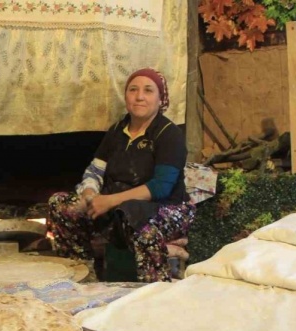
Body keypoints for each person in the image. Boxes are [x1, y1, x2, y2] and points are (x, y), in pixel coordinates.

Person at [47, 67, 195, 283]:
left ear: (160, 98)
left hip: (165, 208)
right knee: (61, 204)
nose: (140, 96)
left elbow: (161, 187)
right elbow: (96, 170)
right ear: (125, 96)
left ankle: (154, 289)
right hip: (118, 208)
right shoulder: (117, 130)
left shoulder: (169, 134)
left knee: (133, 216)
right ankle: (82, 276)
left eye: (148, 90)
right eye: (133, 90)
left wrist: (109, 201)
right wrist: (90, 193)